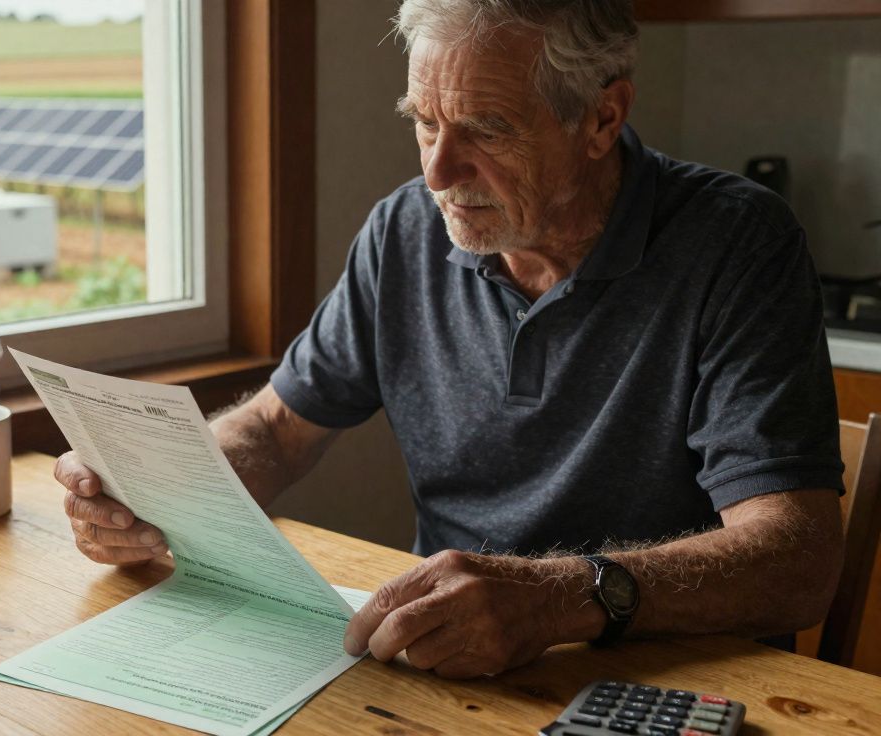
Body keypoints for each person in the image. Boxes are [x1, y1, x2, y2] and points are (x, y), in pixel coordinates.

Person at [53, 0, 846, 678]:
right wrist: (157, 488)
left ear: (603, 117)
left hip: (671, 675)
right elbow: (273, 429)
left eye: (486, 129)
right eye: (423, 122)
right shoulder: (404, 231)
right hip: (445, 665)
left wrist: (555, 600)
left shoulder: (737, 243)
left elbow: (798, 558)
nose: (437, 171)